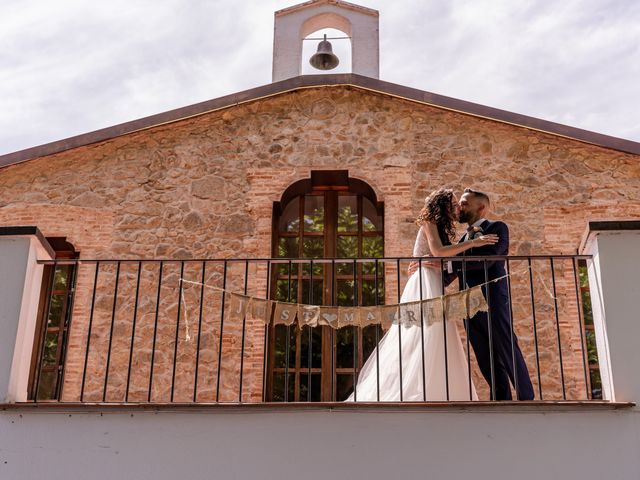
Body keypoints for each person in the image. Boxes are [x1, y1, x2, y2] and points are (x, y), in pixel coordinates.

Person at [346, 188, 497, 401]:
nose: (457, 208)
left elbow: (442, 257)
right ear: (443, 206)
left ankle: (438, 389)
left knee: (439, 331)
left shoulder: (441, 226)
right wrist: (473, 243)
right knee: (422, 331)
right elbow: (438, 252)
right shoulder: (430, 222)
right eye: (453, 204)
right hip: (424, 279)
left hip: (434, 278)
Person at [446, 188, 535, 400]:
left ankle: (526, 397)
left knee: (505, 344)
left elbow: (490, 257)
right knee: (483, 353)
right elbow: (452, 272)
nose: (460, 207)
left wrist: (452, 264)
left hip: (491, 297)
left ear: (481, 207)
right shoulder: (462, 241)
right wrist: (427, 271)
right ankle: (500, 398)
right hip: (467, 303)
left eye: (465, 203)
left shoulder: (497, 227)